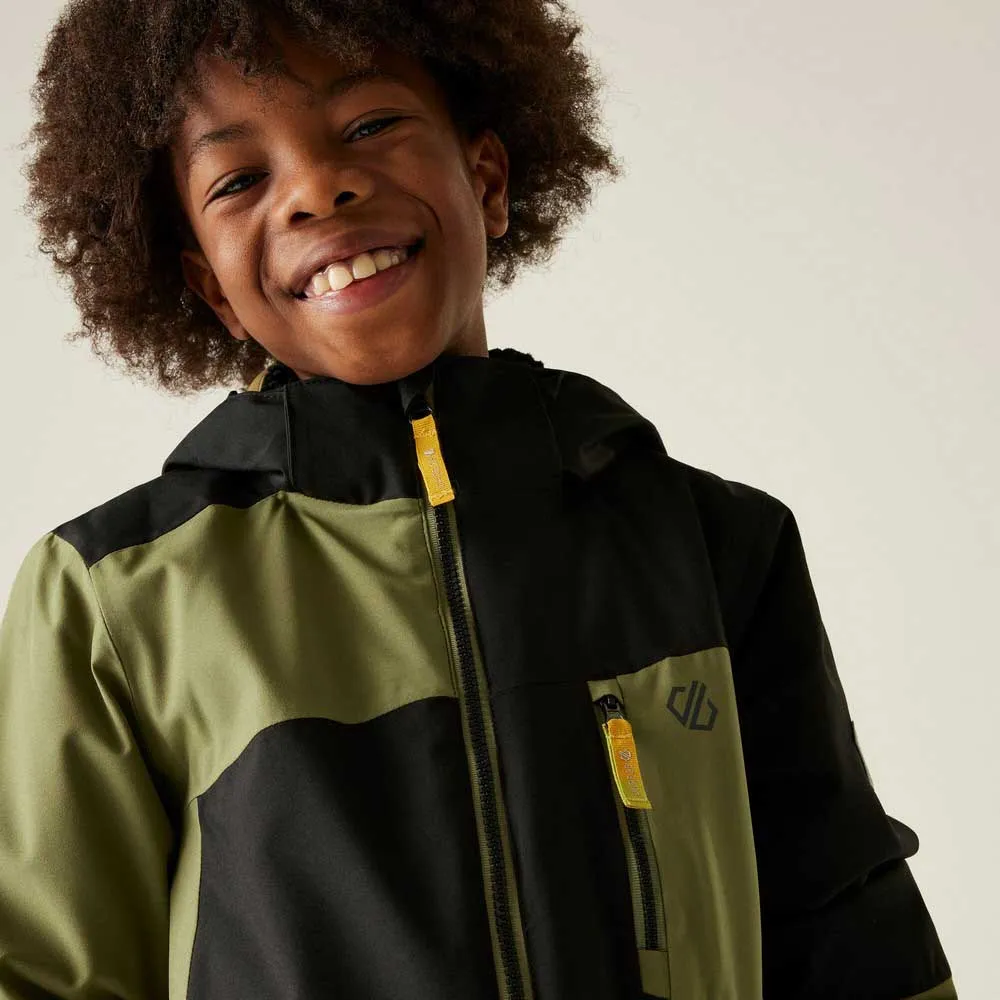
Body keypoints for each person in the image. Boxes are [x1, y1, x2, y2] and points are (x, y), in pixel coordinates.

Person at [0, 3, 956, 999]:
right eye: (239, 179)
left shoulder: (714, 546)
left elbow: (856, 941)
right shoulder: (114, 599)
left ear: (487, 178)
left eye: (370, 124)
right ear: (211, 288)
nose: (318, 187)